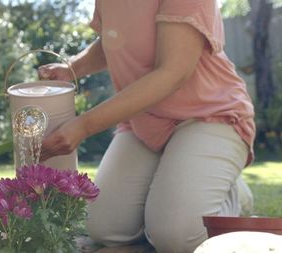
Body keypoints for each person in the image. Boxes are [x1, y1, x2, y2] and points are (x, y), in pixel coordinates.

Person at [38, 0, 256, 252]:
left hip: (210, 113)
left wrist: (83, 126)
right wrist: (72, 68)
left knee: (178, 236)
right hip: (144, 120)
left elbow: (173, 72)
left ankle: (231, 194)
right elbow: (114, 38)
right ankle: (181, 188)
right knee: (104, 227)